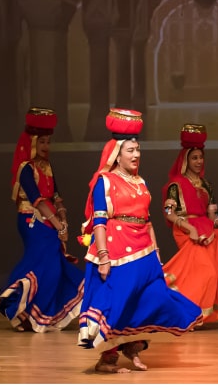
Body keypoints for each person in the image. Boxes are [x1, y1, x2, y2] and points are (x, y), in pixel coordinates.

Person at [76, 108, 203, 373]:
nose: (136, 155)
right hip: (117, 250)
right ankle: (107, 358)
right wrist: (103, 256)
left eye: (138, 150)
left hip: (144, 250)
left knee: (152, 298)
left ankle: (132, 347)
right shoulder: (105, 182)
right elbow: (99, 221)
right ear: (116, 154)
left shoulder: (140, 181)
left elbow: (147, 220)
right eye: (130, 151)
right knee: (120, 302)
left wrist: (156, 251)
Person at [0, 107, 84, 332]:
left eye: (48, 142)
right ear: (32, 143)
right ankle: (14, 303)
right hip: (32, 221)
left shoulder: (47, 167)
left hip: (49, 219)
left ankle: (33, 312)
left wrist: (63, 218)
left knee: (53, 266)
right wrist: (58, 225)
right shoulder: (26, 169)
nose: (46, 146)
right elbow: (37, 200)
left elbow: (55, 196)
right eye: (42, 142)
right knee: (43, 265)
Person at [160, 123, 218, 323]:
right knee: (206, 273)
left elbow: (212, 213)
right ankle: (189, 314)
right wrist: (189, 228)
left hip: (206, 231)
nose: (198, 161)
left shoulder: (206, 185)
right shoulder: (175, 185)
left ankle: (189, 315)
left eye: (200, 157)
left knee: (201, 274)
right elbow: (169, 213)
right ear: (185, 159)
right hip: (187, 231)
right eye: (194, 157)